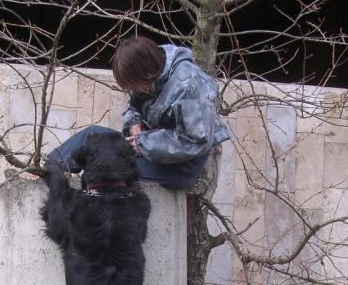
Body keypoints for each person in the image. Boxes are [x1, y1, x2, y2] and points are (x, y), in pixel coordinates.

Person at [47, 36, 230, 190]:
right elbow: (133, 107)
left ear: (146, 73)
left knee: (106, 166)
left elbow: (196, 141)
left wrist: (144, 143)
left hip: (179, 166)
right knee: (92, 135)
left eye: (133, 85)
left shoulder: (189, 85)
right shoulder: (150, 75)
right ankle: (48, 168)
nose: (132, 90)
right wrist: (134, 123)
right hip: (146, 146)